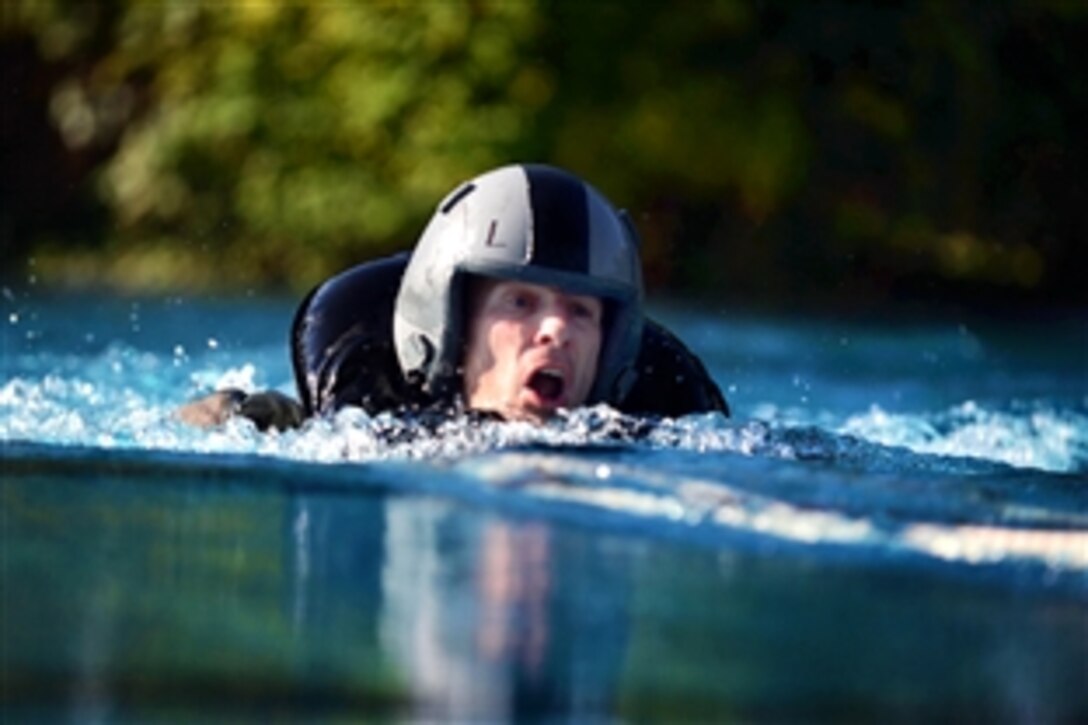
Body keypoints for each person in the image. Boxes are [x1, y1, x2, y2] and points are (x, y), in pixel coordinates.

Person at [178, 163, 728, 430]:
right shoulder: (359, 432)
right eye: (520, 302)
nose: (556, 329)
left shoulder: (660, 438)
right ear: (450, 326)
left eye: (581, 311)